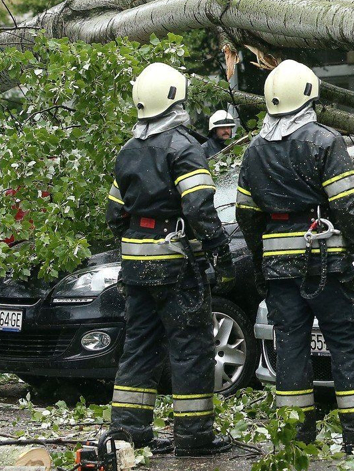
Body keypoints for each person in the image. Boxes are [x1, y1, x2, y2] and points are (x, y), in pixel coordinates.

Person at [233, 60, 354, 451]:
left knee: (289, 347)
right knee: (347, 343)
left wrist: (260, 264)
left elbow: (247, 217)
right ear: (309, 96)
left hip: (279, 269)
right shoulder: (324, 140)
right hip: (326, 264)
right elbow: (348, 206)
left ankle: (296, 435)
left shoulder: (254, 151)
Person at [106, 62, 234, 457]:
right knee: (191, 346)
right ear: (175, 99)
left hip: (136, 267)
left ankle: (129, 434)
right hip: (177, 266)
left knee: (140, 346)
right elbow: (198, 207)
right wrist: (220, 252)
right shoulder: (184, 146)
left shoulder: (128, 151)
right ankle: (195, 437)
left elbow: (114, 214)